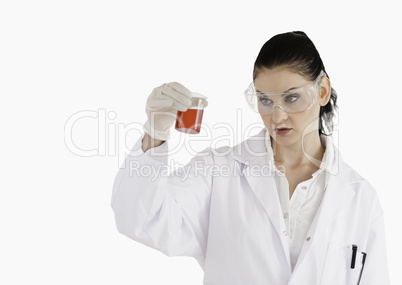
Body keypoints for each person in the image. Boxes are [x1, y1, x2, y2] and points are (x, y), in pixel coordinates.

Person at [111, 31, 390, 284]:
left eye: (291, 98)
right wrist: (155, 132)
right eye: (265, 100)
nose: (277, 115)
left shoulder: (359, 198)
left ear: (322, 92)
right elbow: (142, 220)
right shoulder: (219, 172)